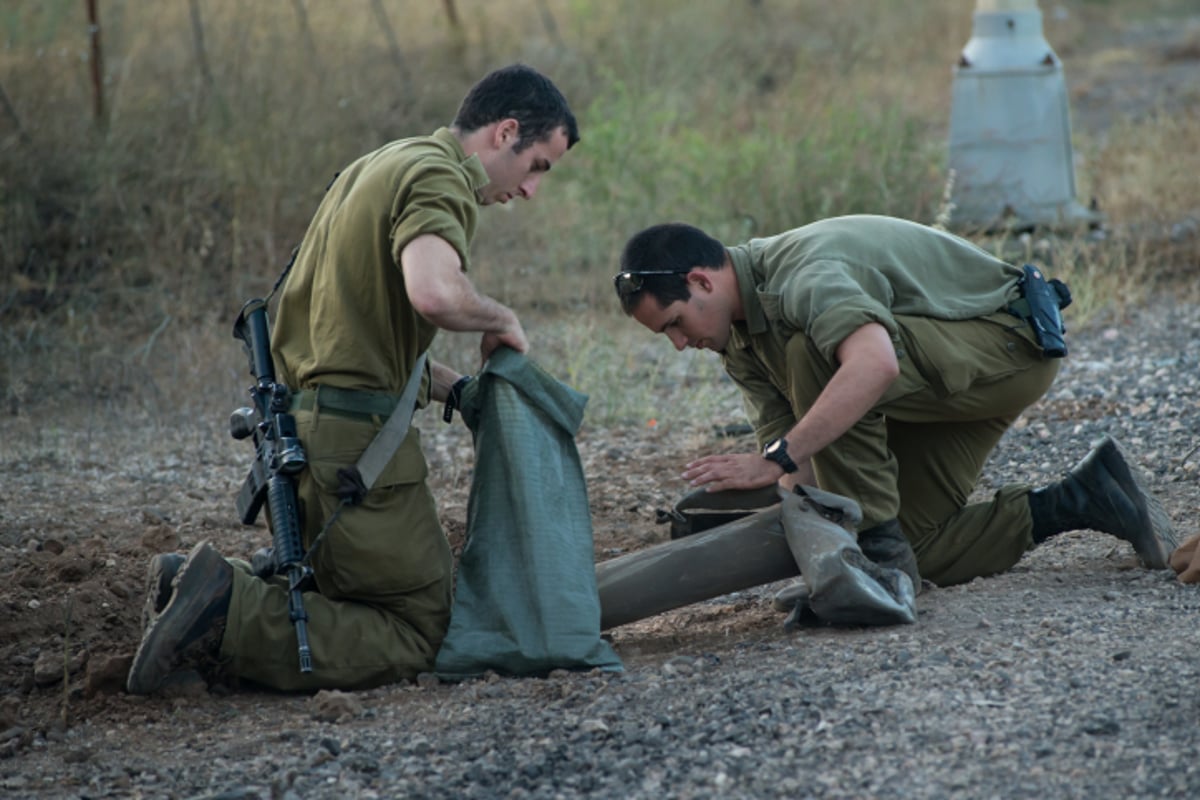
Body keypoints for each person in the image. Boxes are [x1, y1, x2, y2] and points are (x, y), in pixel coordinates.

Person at [127, 63, 580, 694]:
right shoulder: (440, 176)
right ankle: (227, 610)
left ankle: (194, 583)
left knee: (350, 580)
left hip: (305, 433)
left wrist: (456, 392)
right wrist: (502, 319)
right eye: (539, 166)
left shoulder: (380, 164)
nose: (532, 191)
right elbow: (432, 293)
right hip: (353, 453)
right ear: (506, 132)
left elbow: (360, 336)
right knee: (427, 627)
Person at [613, 214, 1178, 590]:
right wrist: (764, 504)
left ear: (702, 281)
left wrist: (778, 460)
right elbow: (803, 462)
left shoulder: (799, 275)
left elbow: (873, 366)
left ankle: (880, 560)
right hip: (946, 377)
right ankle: (1087, 497)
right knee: (921, 546)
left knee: (819, 351)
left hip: (1007, 348)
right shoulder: (737, 340)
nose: (681, 344)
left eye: (676, 324)